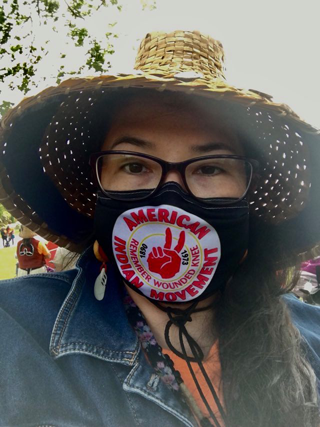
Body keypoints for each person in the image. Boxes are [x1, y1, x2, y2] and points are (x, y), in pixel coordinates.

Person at [0, 30, 319, 427]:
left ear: (248, 192)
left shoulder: (313, 340)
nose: (170, 197)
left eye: (209, 167)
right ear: (100, 184)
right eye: (134, 165)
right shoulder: (12, 331)